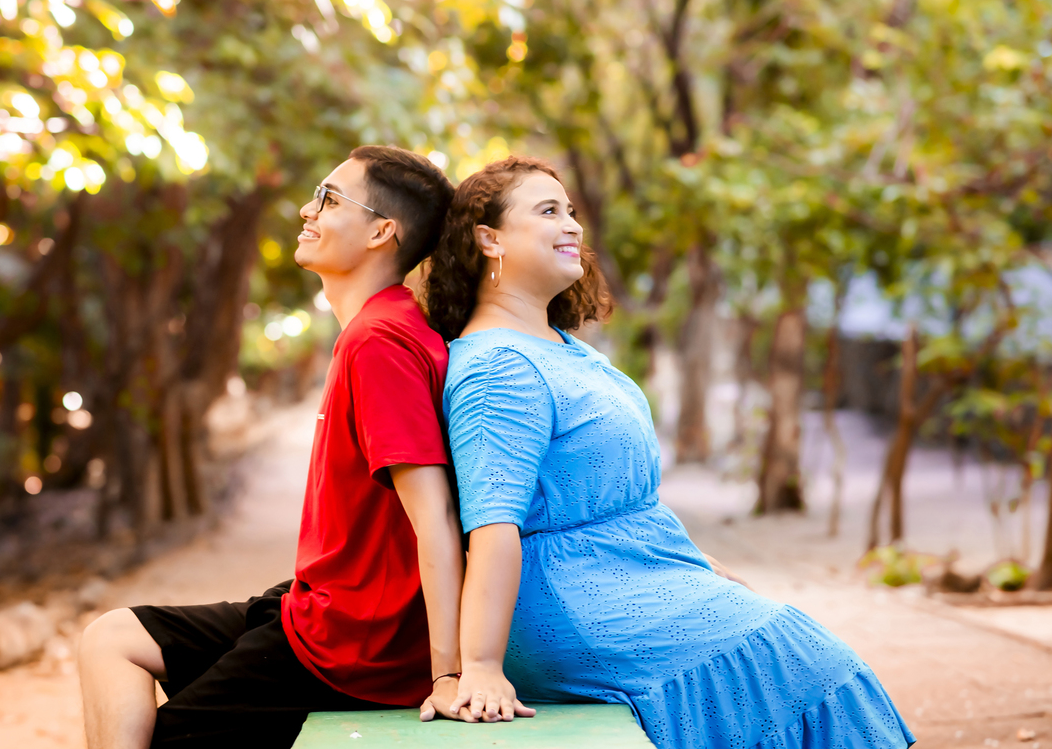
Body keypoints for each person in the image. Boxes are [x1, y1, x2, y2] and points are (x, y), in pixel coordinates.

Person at [423, 155, 916, 748]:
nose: (574, 225)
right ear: (489, 239)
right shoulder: (497, 368)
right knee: (798, 655)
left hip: (638, 568)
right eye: (549, 211)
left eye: (572, 211)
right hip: (577, 597)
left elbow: (624, 496)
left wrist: (697, 563)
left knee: (793, 646)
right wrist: (479, 665)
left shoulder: (561, 347)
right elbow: (492, 525)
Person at [79, 146, 467, 749]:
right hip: (316, 608)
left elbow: (436, 516)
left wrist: (448, 674)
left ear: (381, 232)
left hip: (352, 646)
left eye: (330, 200)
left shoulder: (380, 342)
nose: (309, 212)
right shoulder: (381, 327)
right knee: (112, 637)